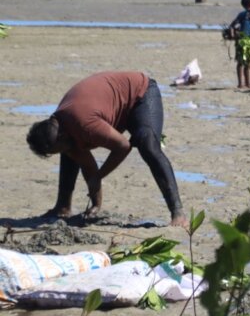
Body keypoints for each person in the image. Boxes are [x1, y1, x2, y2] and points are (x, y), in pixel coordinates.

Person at [25, 71, 186, 227]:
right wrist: (96, 204)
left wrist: (100, 175)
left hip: (141, 94)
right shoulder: (61, 127)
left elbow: (123, 146)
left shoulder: (85, 124)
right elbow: (88, 166)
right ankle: (63, 207)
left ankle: (178, 212)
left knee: (148, 145)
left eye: (55, 149)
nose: (61, 151)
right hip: (113, 104)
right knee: (69, 152)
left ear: (60, 136)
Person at [229, 0, 250, 89]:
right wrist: (233, 35)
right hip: (242, 40)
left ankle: (248, 83)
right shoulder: (242, 14)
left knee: (248, 62)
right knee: (241, 62)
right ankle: (240, 83)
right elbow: (232, 25)